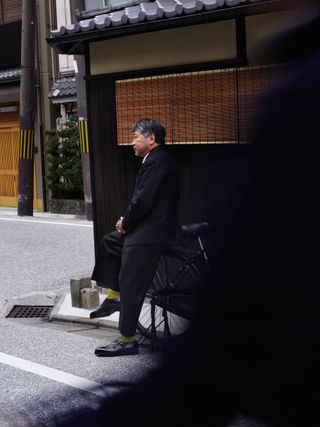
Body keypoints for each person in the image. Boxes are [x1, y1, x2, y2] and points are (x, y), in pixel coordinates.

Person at [89, 118, 180, 357]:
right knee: (110, 242)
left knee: (132, 282)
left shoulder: (157, 161)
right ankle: (113, 297)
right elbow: (142, 200)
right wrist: (126, 223)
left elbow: (143, 200)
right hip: (147, 228)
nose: (132, 143)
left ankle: (127, 340)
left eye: (135, 137)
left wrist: (126, 223)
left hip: (150, 234)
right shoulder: (155, 160)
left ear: (151, 139)